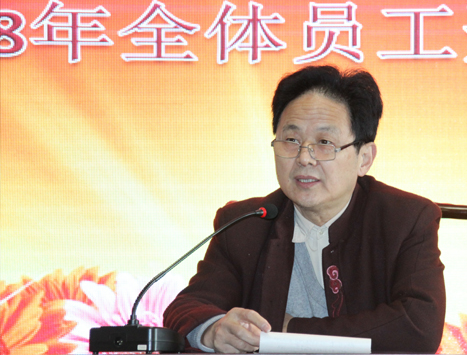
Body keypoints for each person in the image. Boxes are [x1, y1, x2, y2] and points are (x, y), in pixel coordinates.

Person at [163, 65, 445, 353]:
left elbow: (419, 327)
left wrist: (289, 331)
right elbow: (188, 307)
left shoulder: (406, 219)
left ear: (364, 158)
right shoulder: (245, 223)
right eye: (291, 140)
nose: (304, 158)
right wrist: (214, 329)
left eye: (324, 143)